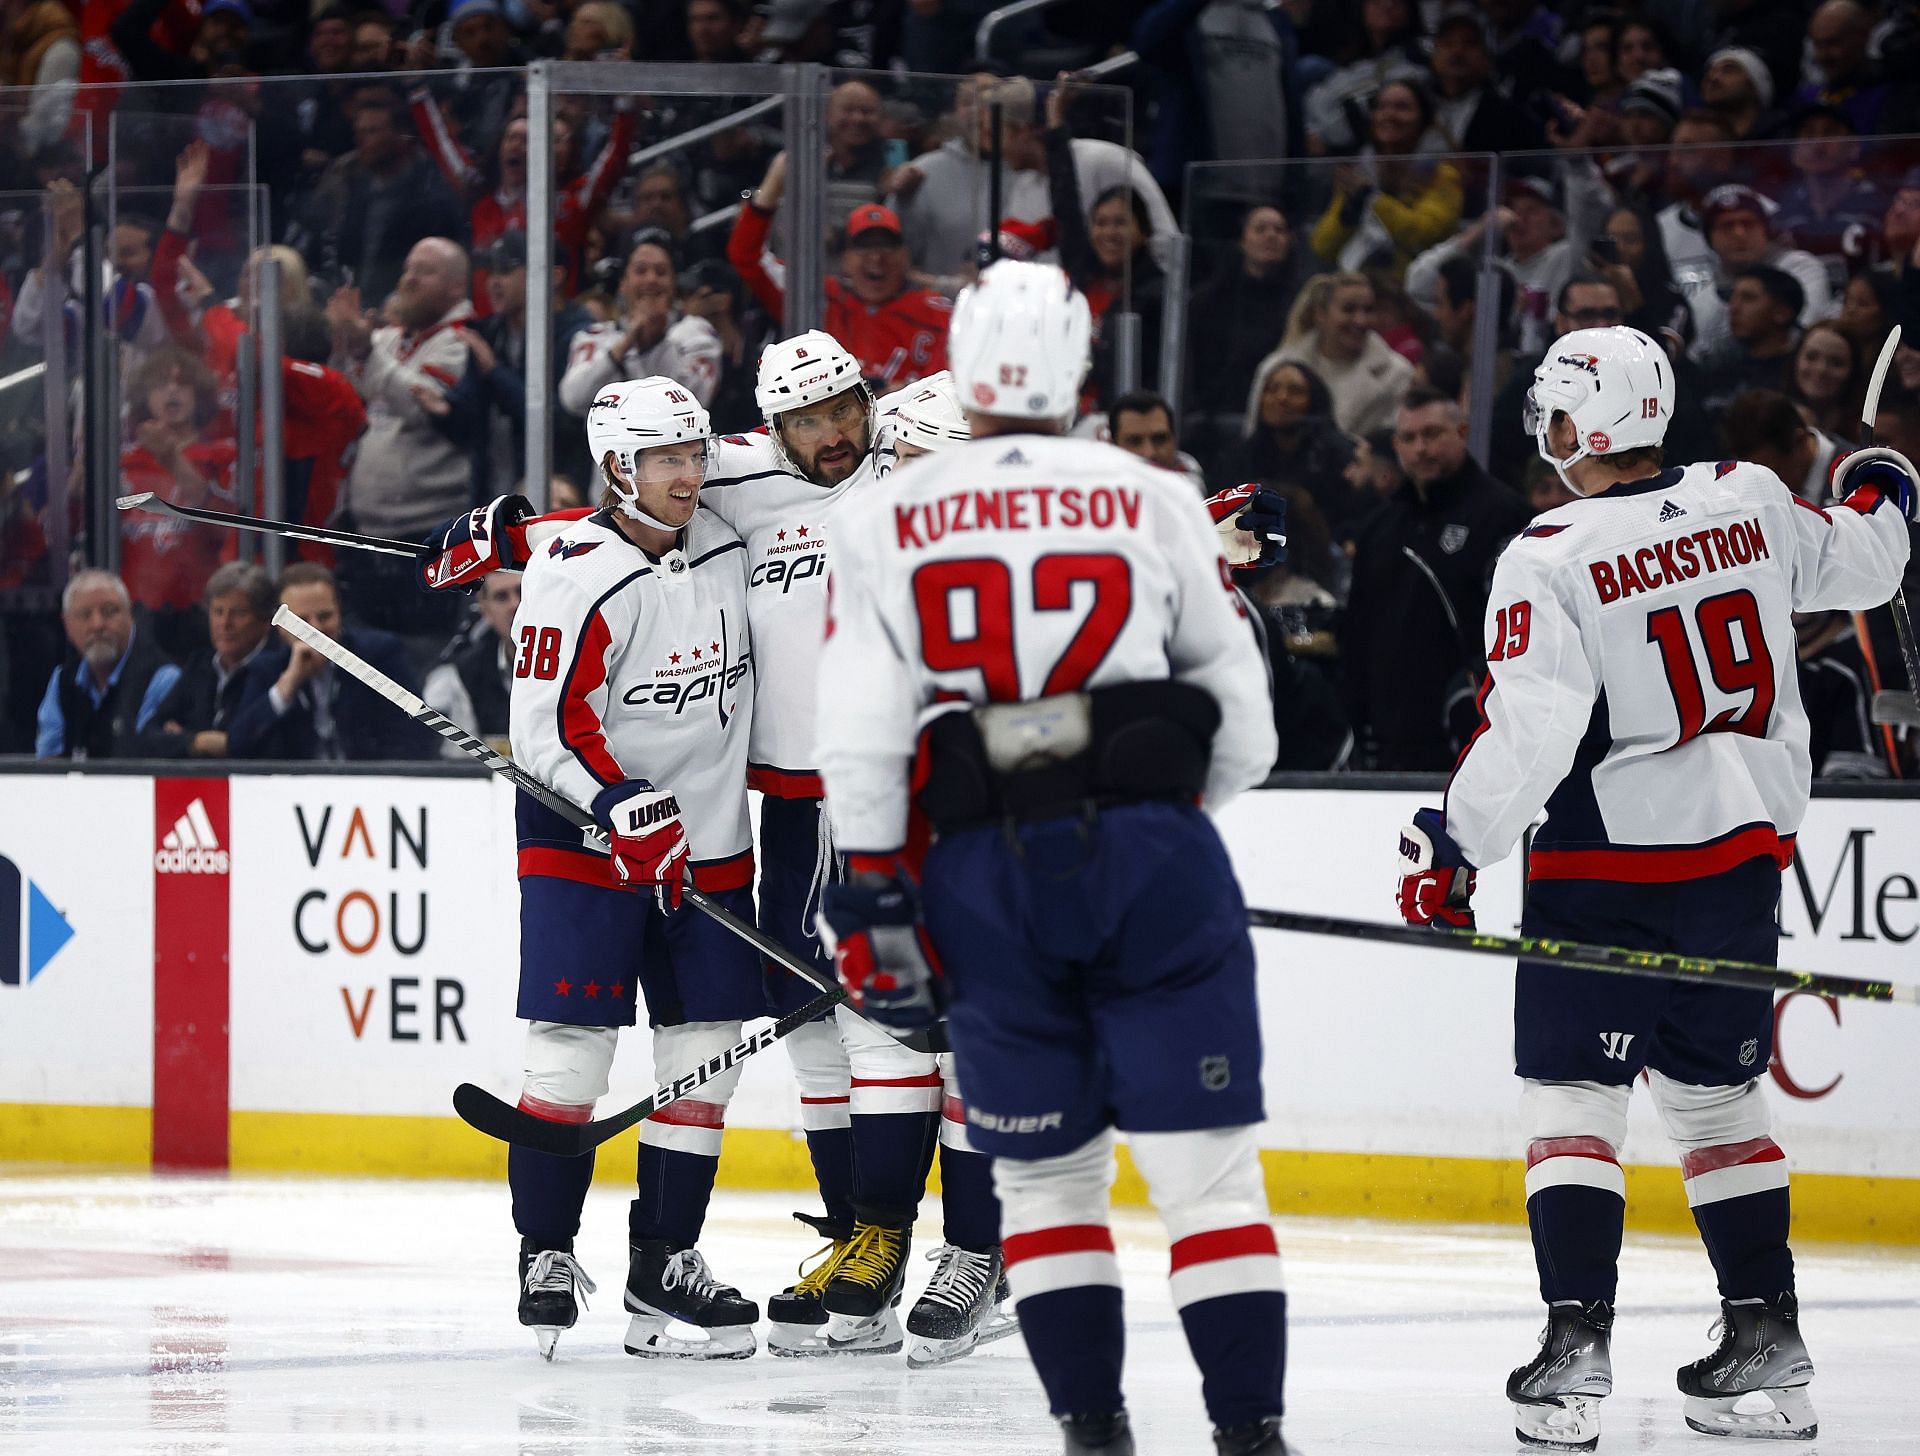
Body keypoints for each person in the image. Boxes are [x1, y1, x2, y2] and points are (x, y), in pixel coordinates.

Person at [1394, 324, 1913, 1450]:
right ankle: (1765, 1346)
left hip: (1603, 869)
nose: (1549, 431)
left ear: (1601, 420)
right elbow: (1869, 561)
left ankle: (1575, 1352)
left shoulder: (1549, 548)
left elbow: (1531, 730)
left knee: (1573, 1102)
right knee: (1721, 1103)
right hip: (1738, 863)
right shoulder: (1753, 494)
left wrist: (1454, 844)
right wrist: (1885, 482)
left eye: (1562, 411)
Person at [813, 257, 1288, 1456]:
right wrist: (1166, 826)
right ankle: (1250, 1437)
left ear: (962, 361)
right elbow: (1248, 720)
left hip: (982, 877)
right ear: (1079, 363)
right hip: (1154, 855)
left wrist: (873, 886)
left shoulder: (877, 512)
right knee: (1212, 1186)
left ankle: (1092, 1433)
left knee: (1044, 1187)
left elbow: (860, 730)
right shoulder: (1152, 490)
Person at [502, 376, 765, 1362]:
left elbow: (775, 455)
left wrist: (509, 527)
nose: (691, 473)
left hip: (708, 836)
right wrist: (615, 801)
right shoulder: (573, 575)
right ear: (620, 469)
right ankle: (544, 1252)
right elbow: (542, 730)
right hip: (584, 834)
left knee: (708, 1048)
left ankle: (665, 1262)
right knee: (573, 1044)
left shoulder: (727, 537)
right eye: (668, 460)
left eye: (695, 455)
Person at [1343, 388, 1530, 770]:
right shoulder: (1379, 529)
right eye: (1409, 439)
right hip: (1390, 736)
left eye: (1432, 434)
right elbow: (1358, 633)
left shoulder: (1504, 516)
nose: (1421, 449)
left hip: (1475, 734)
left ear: (1462, 433)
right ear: (1395, 446)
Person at [728, 165, 952, 394]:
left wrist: (906, 393)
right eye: (863, 247)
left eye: (887, 245)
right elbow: (746, 256)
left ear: (905, 257)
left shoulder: (936, 313)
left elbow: (952, 387)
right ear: (845, 260)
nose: (876, 257)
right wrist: (774, 183)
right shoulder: (814, 295)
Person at [226, 562, 434, 763]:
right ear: (280, 628)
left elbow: (418, 733)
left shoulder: (378, 655)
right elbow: (238, 745)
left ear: (340, 615)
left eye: (325, 617)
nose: (315, 629)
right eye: (301, 621)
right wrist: (286, 686)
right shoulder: (267, 669)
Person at [560, 231, 723, 415]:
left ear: (673, 283)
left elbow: (698, 398)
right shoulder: (595, 336)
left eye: (661, 272)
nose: (651, 279)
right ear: (623, 283)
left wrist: (655, 341)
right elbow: (573, 399)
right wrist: (627, 341)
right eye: (640, 270)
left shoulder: (697, 333)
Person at [132, 561, 275, 759]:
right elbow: (149, 737)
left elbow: (248, 747)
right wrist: (196, 742)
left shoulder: (275, 670)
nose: (225, 624)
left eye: (239, 614)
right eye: (218, 612)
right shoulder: (199, 665)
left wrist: (184, 736)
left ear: (265, 621)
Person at [35, 569, 180, 760]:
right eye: (85, 615)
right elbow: (47, 765)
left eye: (109, 612)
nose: (97, 625)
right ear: (67, 625)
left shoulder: (163, 678)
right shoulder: (62, 680)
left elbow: (149, 761)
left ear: (130, 613)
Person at [1266, 273, 1414, 439]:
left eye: (1368, 310)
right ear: (1320, 314)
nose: (1361, 320)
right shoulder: (1277, 367)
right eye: (1349, 309)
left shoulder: (1397, 374)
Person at [422, 570, 520, 757]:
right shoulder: (467, 672)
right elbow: (463, 763)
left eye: (521, 592)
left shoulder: (572, 656)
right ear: (486, 612)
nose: (515, 604)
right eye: (501, 597)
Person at [1107, 389, 1205, 494]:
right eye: (1134, 441)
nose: (1149, 452)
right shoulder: (1091, 487)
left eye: (1159, 439)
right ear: (1112, 446)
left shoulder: (1190, 488)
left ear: (1174, 440)